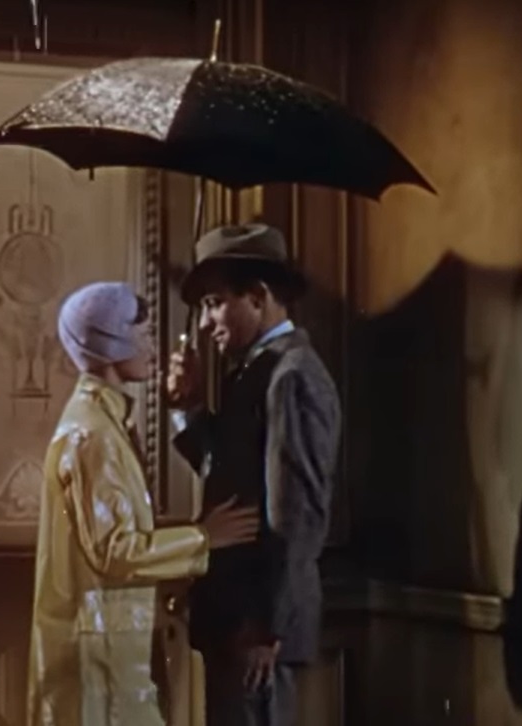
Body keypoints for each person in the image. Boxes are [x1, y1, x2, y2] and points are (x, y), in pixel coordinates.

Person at [27, 281, 262, 726]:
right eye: (142, 333)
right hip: (99, 658)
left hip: (110, 646)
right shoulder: (93, 435)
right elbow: (115, 550)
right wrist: (203, 538)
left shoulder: (104, 422)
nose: (154, 347)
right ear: (110, 343)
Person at [167, 224, 341, 726]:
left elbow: (298, 513)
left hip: (255, 627)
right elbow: (227, 474)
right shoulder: (254, 373)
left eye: (214, 303)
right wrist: (188, 407)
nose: (206, 323)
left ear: (259, 297)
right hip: (235, 619)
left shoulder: (292, 376)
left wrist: (268, 626)